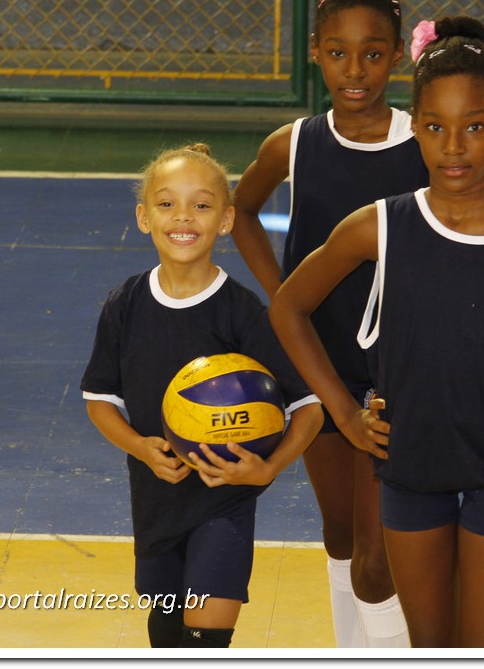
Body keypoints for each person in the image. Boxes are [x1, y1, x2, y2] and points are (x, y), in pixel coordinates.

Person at [268, 16, 484, 648]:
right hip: (410, 473)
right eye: (435, 127)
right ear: (416, 128)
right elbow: (288, 308)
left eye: (474, 127)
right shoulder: (378, 227)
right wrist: (344, 414)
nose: (454, 146)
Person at [231, 0, 424, 648]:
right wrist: (283, 295)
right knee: (341, 534)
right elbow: (240, 210)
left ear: (397, 56)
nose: (355, 71)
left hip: (394, 375)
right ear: (315, 53)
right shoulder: (296, 144)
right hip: (316, 365)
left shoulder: (423, 143)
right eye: (338, 54)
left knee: (377, 559)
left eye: (372, 55)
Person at [81, 143, 324, 648]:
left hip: (224, 502)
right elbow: (101, 400)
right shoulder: (125, 305)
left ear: (226, 220)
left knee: (204, 642)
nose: (183, 217)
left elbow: (308, 407)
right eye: (167, 204)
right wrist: (140, 447)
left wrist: (268, 468)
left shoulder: (242, 312)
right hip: (156, 503)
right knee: (166, 635)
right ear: (144, 218)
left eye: (201, 205)